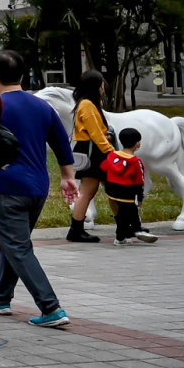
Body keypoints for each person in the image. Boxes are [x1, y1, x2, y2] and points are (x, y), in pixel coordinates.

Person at [0, 49, 77, 327]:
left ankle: (51, 307)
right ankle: (1, 297)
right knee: (12, 242)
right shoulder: (42, 106)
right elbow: (62, 143)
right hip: (38, 187)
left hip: (8, 185)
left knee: (17, 245)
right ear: (22, 75)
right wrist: (68, 177)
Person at [67, 70, 115, 243]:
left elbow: (96, 130)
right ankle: (127, 225)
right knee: (99, 190)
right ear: (95, 86)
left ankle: (76, 229)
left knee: (96, 190)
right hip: (94, 151)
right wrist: (111, 152)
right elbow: (95, 134)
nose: (103, 87)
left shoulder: (90, 103)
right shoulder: (87, 104)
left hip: (93, 149)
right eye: (101, 83)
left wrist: (106, 135)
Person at [104, 128, 159, 246]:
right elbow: (139, 182)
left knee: (125, 213)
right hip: (126, 193)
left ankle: (133, 230)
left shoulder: (112, 155)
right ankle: (121, 237)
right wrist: (140, 198)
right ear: (137, 144)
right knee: (127, 213)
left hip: (112, 190)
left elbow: (104, 168)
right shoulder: (136, 162)